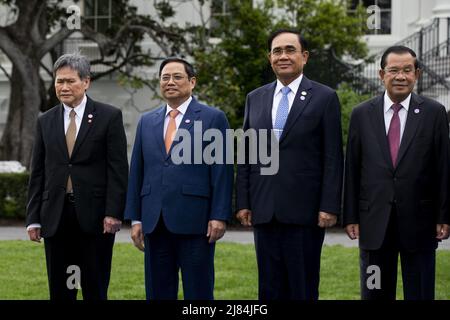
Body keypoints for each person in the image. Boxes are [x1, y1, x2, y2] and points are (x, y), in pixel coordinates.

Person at [235, 29, 344, 300]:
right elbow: (247, 154)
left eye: (290, 50)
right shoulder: (255, 98)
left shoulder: (325, 97)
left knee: (302, 288)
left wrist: (329, 206)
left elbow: (332, 156)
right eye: (277, 51)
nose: (283, 56)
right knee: (269, 289)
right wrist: (243, 201)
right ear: (269, 57)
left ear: (304, 57)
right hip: (264, 210)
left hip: (305, 213)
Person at [343, 45, 450, 300]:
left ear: (417, 74)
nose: (400, 76)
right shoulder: (361, 114)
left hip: (420, 222)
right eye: (393, 70)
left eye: (407, 70)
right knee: (375, 291)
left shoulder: (434, 113)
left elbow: (443, 167)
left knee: (420, 292)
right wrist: (350, 216)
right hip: (374, 223)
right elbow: (353, 168)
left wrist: (444, 215)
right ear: (382, 75)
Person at [124, 57, 233, 300]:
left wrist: (219, 215)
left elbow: (222, 170)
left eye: (177, 77)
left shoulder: (213, 118)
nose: (170, 82)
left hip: (196, 222)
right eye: (165, 78)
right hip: (155, 222)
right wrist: (136, 218)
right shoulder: (146, 122)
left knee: (199, 292)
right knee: (158, 292)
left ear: (192, 82)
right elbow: (137, 172)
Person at [26, 53, 128, 300]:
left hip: (95, 219)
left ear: (86, 82)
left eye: (70, 81)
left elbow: (118, 170)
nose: (63, 87)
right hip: (55, 217)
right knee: (61, 290)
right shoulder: (45, 120)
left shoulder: (109, 117)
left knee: (94, 287)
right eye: (59, 81)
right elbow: (38, 170)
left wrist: (114, 212)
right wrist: (33, 218)